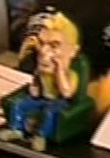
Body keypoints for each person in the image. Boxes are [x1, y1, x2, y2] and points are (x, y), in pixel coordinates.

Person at [8, 11, 82, 144]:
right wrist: (34, 87)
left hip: (59, 101)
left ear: (73, 51)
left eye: (54, 46)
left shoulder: (71, 74)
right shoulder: (42, 71)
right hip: (42, 99)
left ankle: (41, 137)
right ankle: (16, 130)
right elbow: (36, 88)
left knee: (49, 111)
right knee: (19, 104)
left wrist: (59, 70)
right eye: (41, 44)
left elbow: (66, 93)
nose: (43, 51)